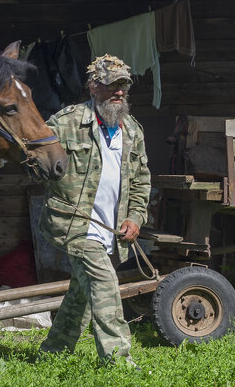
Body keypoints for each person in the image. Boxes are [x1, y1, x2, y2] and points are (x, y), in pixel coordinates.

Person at [38, 54, 151, 369]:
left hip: (111, 229)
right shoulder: (65, 123)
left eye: (124, 86)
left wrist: (135, 217)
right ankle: (118, 361)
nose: (119, 92)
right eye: (113, 85)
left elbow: (142, 180)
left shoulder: (132, 130)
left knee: (82, 289)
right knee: (104, 284)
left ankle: (54, 350)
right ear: (93, 86)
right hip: (74, 225)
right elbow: (36, 165)